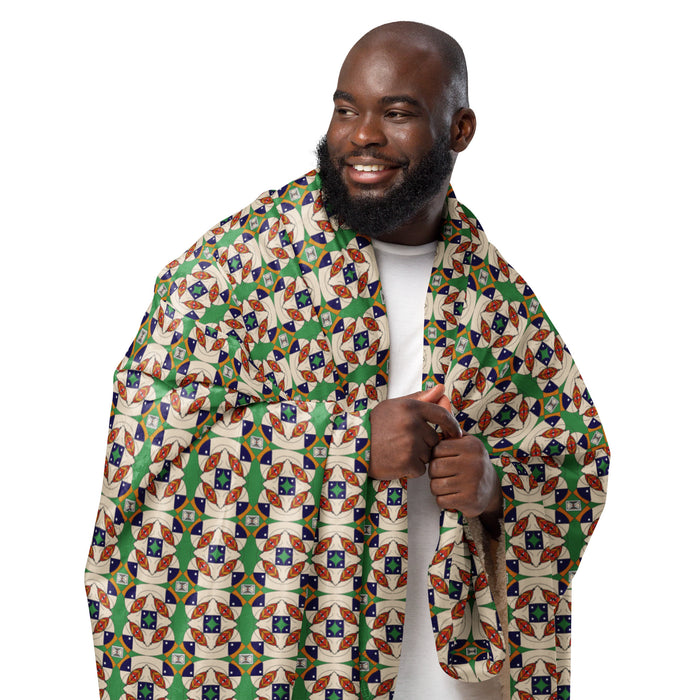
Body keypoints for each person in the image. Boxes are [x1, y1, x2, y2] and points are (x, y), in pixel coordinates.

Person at [85, 21, 609, 700]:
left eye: (397, 113)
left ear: (460, 130)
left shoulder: (498, 302)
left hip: (453, 681)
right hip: (283, 671)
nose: (362, 134)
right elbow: (144, 453)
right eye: (345, 109)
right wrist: (348, 443)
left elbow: (575, 464)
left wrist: (495, 492)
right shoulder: (232, 273)